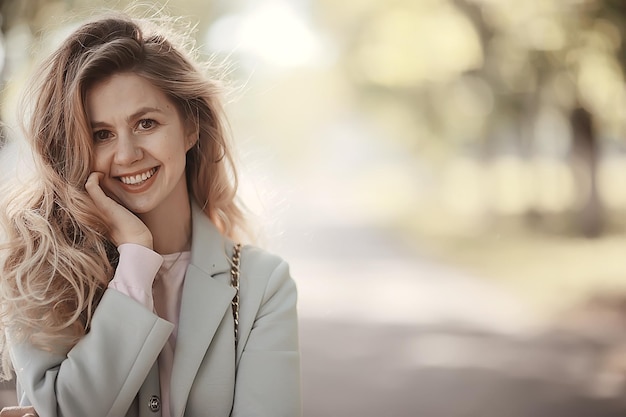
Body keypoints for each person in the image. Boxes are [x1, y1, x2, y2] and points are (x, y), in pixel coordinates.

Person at [0, 10, 300, 417]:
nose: (126, 154)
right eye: (100, 134)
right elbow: (67, 408)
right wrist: (135, 261)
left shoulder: (262, 284)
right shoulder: (40, 272)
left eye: (146, 123)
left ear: (190, 126)